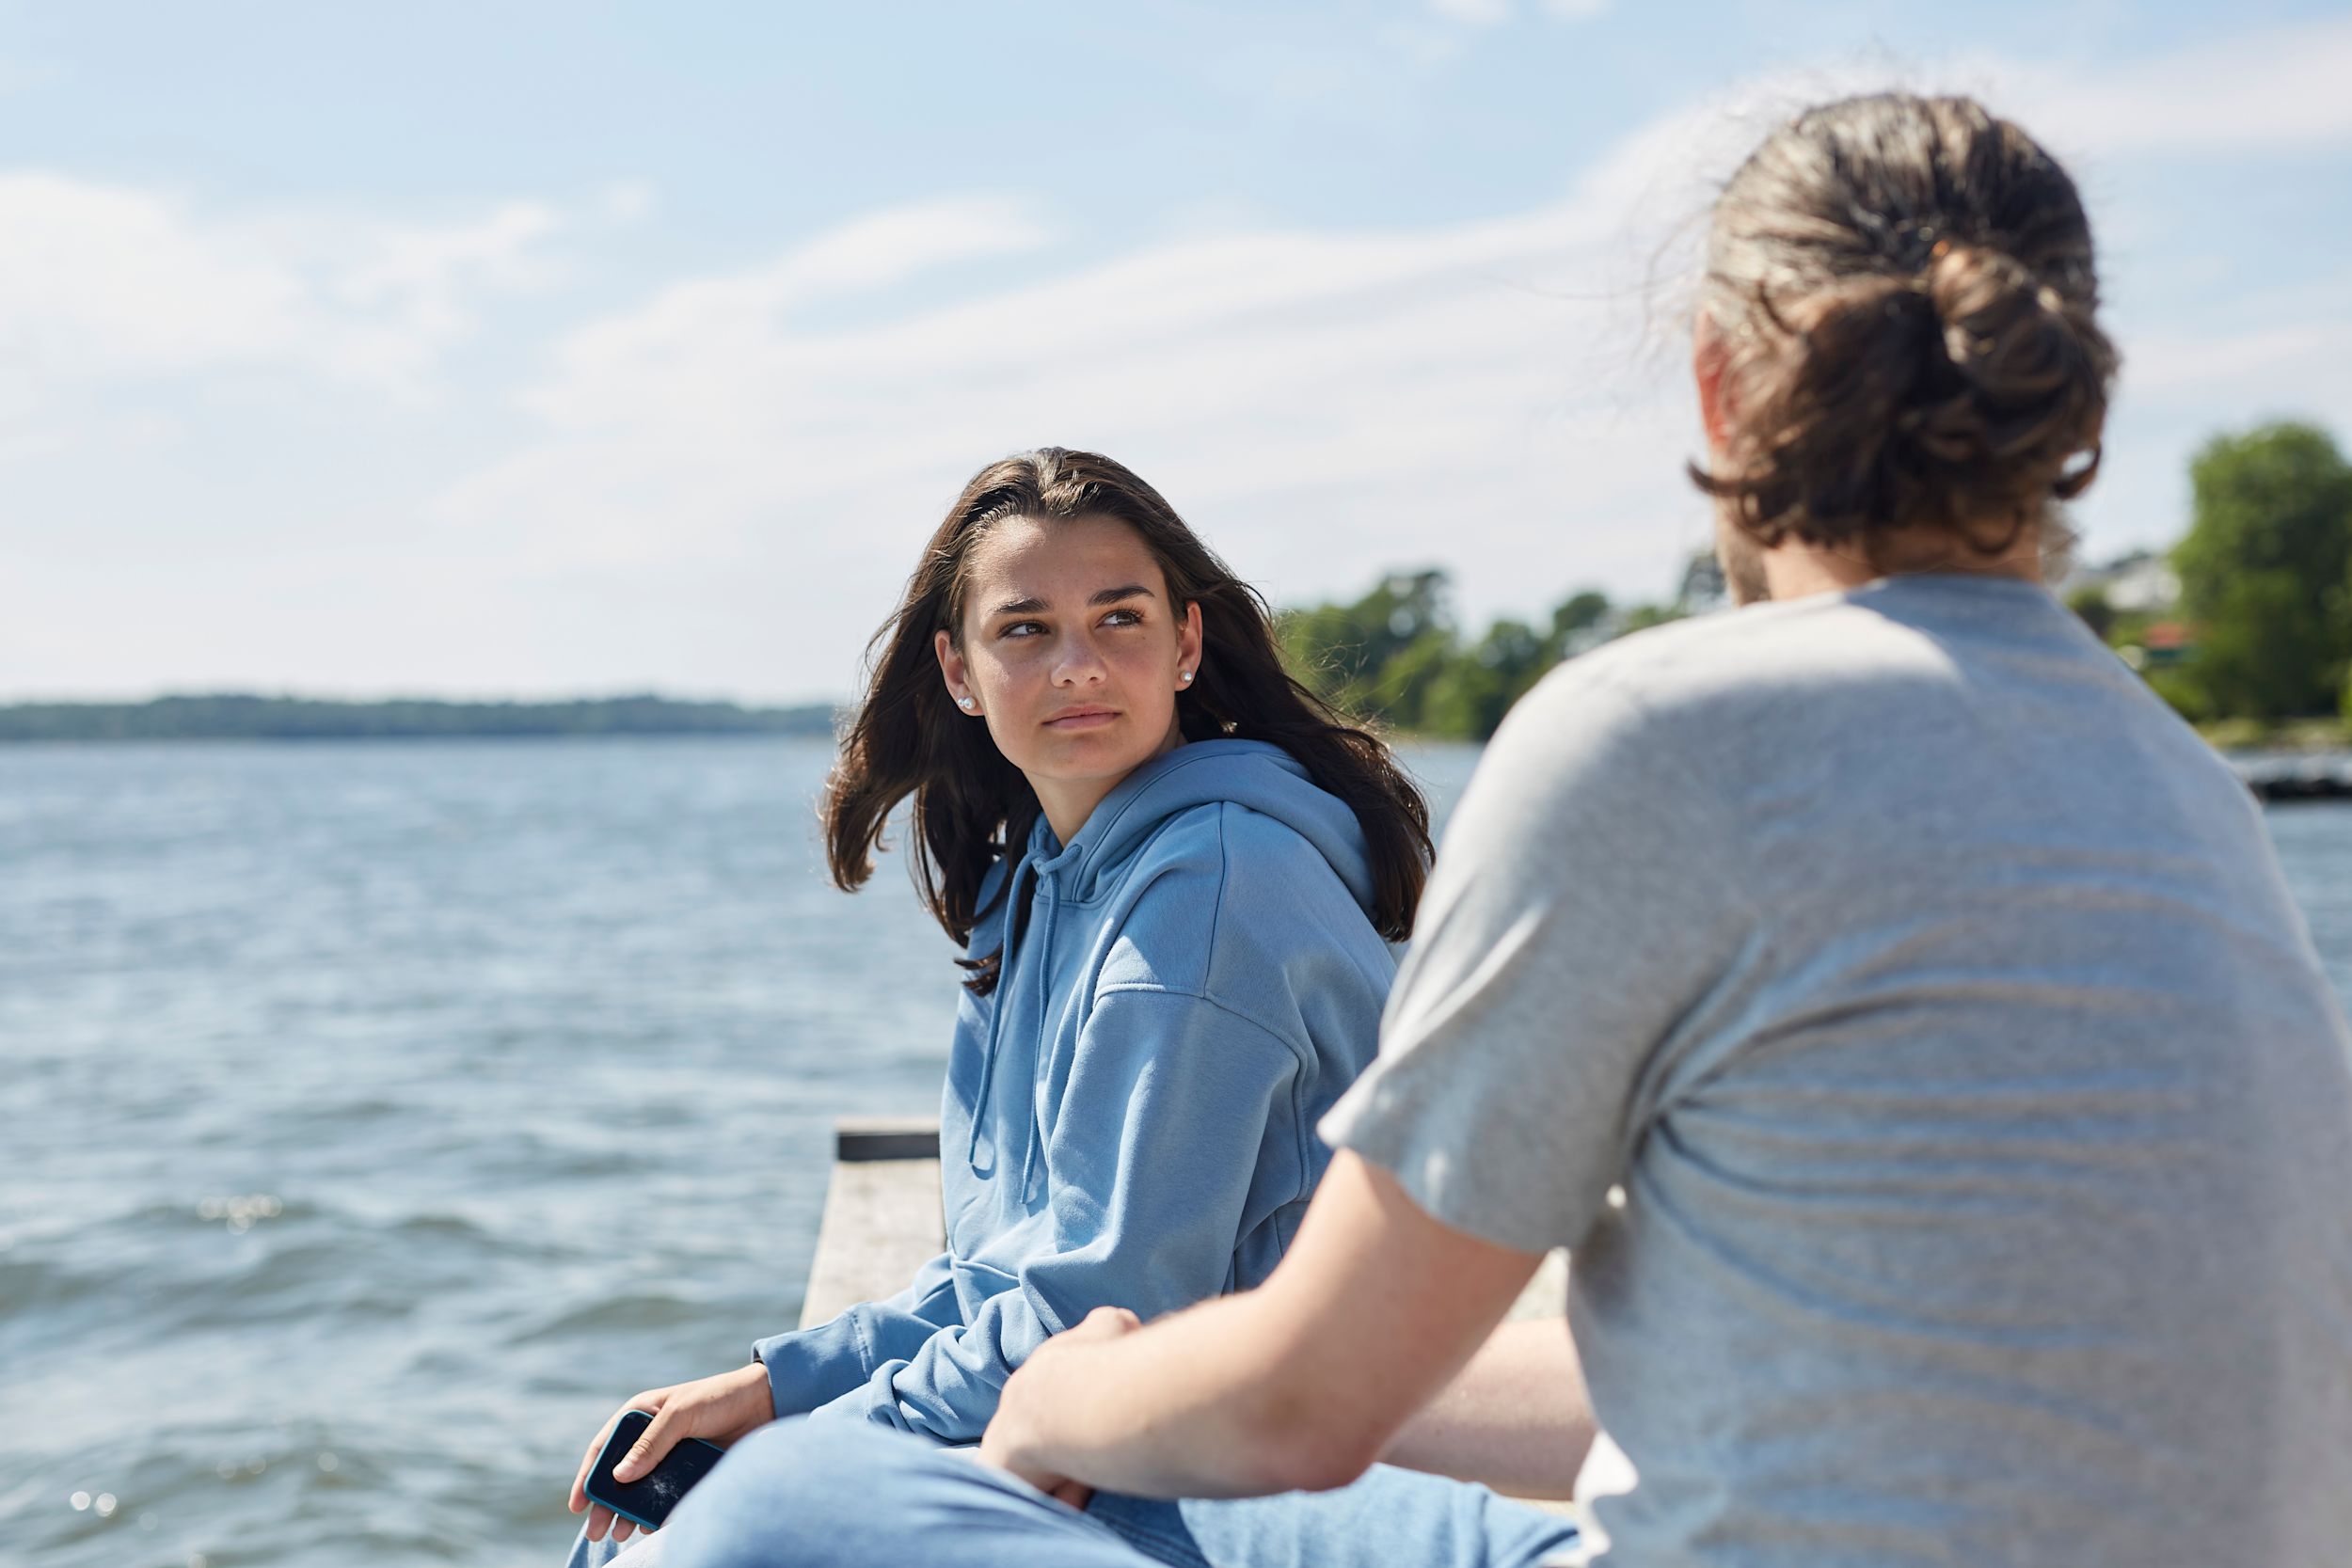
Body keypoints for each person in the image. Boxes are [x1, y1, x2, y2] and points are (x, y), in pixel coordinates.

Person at [632, 92, 2352, 1568]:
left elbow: (1304, 1400)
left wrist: (1067, 1391)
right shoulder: (2182, 785)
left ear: (1719, 393)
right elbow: (1691, 1370)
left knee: (764, 1519)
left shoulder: (1654, 740)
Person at [560, 449, 1433, 1560]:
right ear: (959, 671)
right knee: (647, 1499)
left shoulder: (1211, 888)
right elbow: (1008, 1267)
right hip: (1126, 1431)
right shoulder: (1038, 874)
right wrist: (776, 1388)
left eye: (1119, 618)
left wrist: (819, 1450)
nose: (1078, 665)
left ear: (1186, 644)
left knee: (697, 1528)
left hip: (1259, 1484)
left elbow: (1101, 1307)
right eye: (1025, 628)